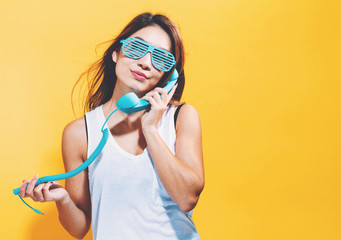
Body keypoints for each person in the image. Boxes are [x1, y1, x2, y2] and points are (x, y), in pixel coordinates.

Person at [17, 12, 204, 239]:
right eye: (136, 48)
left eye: (161, 59)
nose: (145, 63)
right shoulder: (80, 132)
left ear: (168, 76)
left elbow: (187, 199)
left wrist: (151, 129)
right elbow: (79, 228)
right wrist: (63, 199)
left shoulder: (180, 118)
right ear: (116, 53)